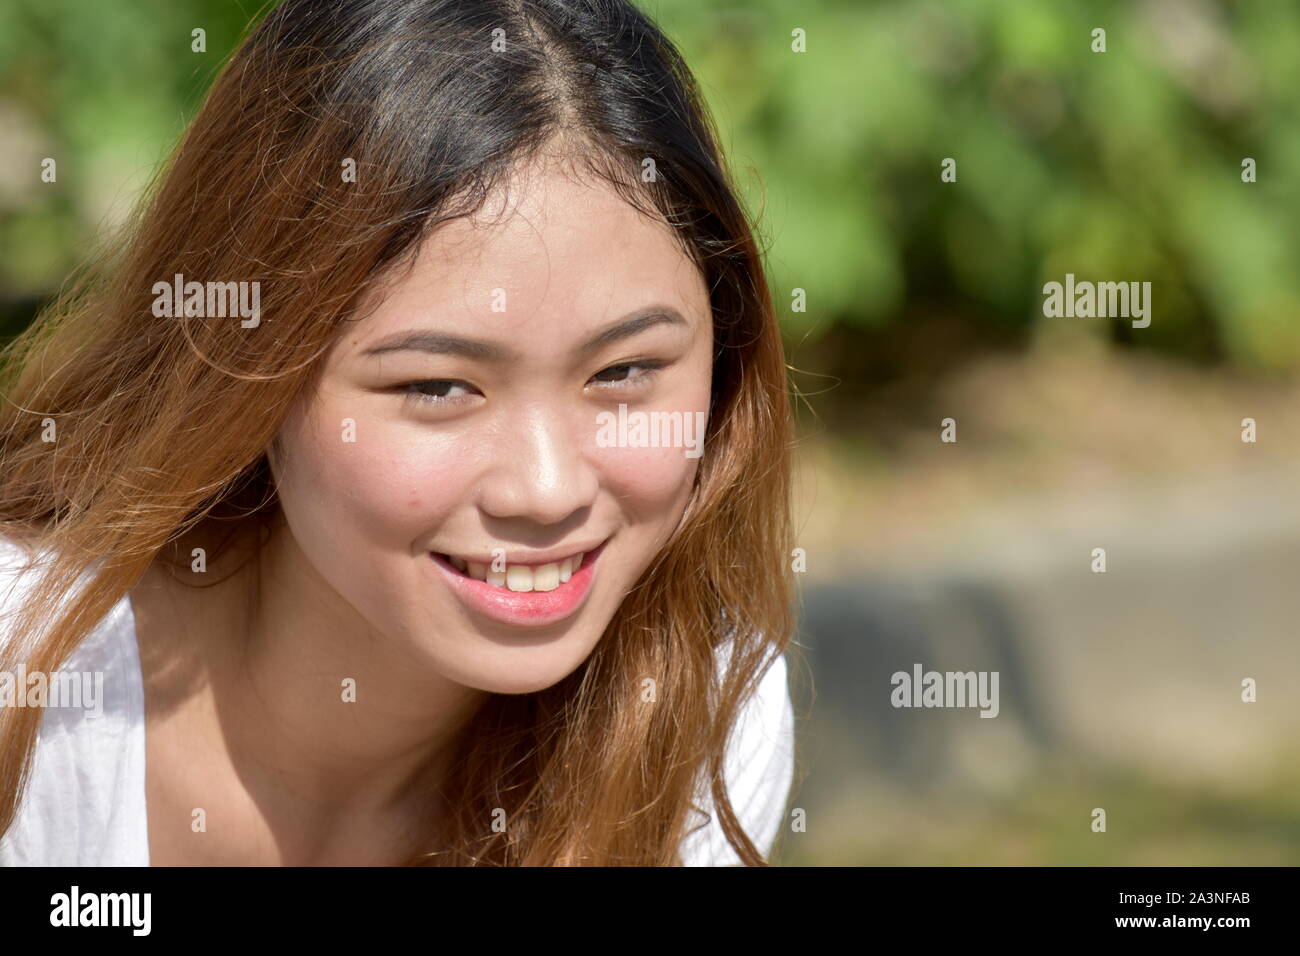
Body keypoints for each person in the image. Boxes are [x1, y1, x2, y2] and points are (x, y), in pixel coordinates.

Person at [0, 0, 797, 866]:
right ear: (242, 377)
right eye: (438, 386)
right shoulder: (30, 676)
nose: (547, 489)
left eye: (623, 373)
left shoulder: (702, 716)